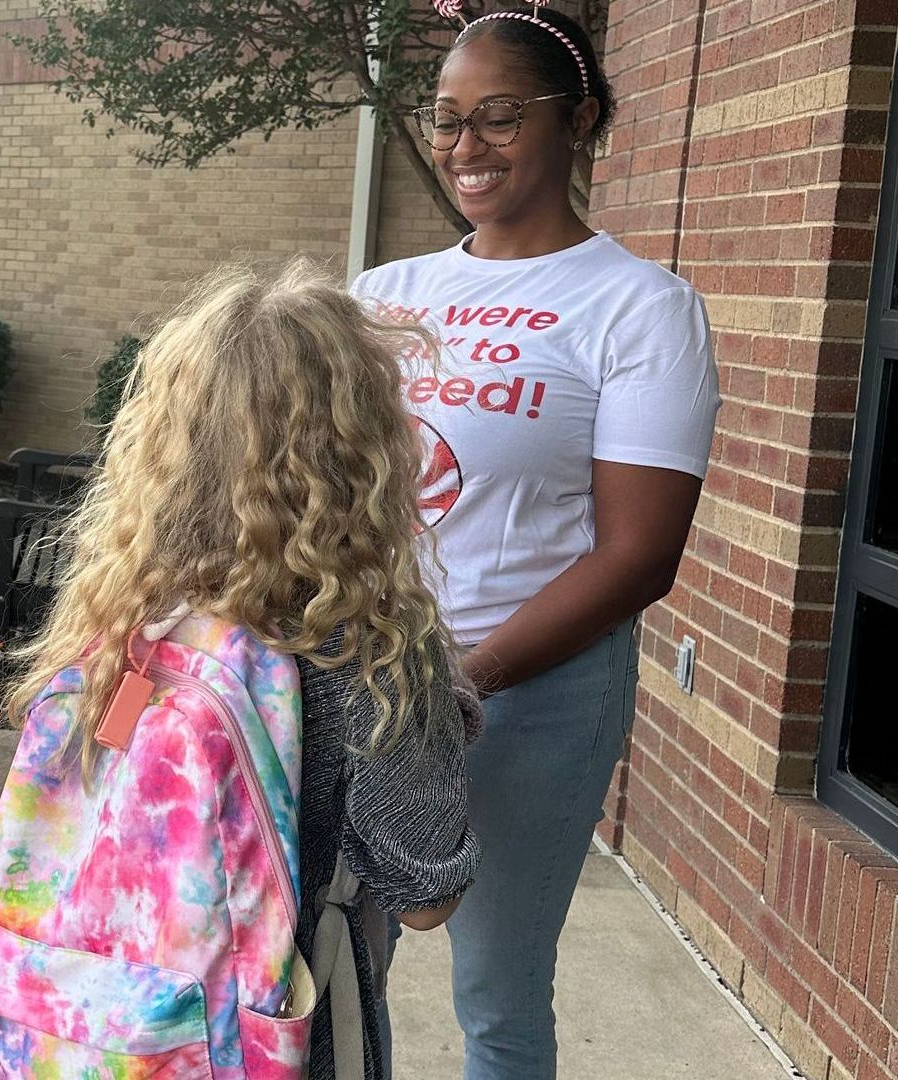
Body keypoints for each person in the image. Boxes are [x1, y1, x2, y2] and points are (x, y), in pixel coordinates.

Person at [352, 6, 721, 1079]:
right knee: (321, 955)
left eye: (501, 118)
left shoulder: (638, 309)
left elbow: (640, 556)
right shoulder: (383, 296)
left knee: (496, 993)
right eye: (448, 119)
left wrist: (464, 681)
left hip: (533, 688)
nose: (467, 146)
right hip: (368, 676)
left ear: (583, 122)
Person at [0, 260, 480, 1079]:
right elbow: (425, 896)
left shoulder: (127, 611)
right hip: (283, 1036)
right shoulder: (372, 651)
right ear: (368, 450)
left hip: (101, 1023)